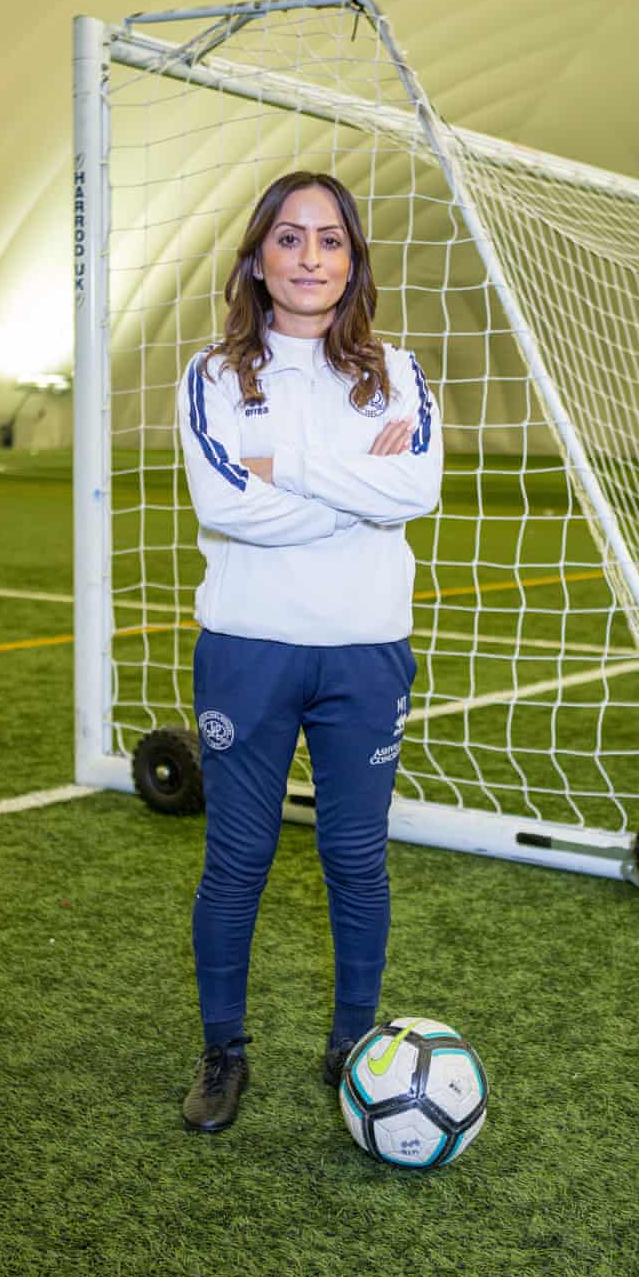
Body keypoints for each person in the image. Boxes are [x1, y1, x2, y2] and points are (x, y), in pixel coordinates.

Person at [177, 169, 443, 1132]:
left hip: (366, 652)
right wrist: (351, 490)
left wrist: (283, 466)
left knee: (356, 856)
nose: (311, 258)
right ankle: (223, 1051)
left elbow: (414, 493)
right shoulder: (213, 376)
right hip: (249, 648)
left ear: (353, 261)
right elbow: (224, 508)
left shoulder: (399, 373)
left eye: (331, 240)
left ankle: (354, 1049)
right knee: (238, 857)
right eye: (290, 239)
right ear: (258, 256)